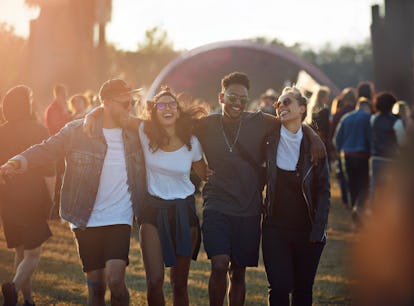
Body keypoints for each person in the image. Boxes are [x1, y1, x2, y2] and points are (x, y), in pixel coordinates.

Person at [0, 78, 146, 306]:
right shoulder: (77, 131)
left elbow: (162, 129)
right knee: (96, 288)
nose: (130, 109)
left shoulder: (134, 132)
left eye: (132, 103)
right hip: (84, 217)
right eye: (125, 104)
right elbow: (47, 149)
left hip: (119, 216)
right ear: (107, 103)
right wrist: (17, 162)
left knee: (116, 281)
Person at [193, 71, 325, 306]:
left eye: (243, 99)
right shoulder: (206, 125)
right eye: (232, 97)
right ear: (221, 97)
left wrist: (314, 136)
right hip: (217, 204)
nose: (237, 103)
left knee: (239, 271)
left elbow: (291, 120)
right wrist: (198, 166)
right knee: (220, 263)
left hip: (249, 208)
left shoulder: (259, 121)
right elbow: (175, 130)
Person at [261, 86, 330, 306]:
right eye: (279, 103)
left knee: (303, 290)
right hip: (274, 228)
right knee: (279, 288)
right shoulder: (268, 139)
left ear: (302, 108)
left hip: (307, 230)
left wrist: (318, 230)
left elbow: (324, 191)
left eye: (288, 101)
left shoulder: (315, 147)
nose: (282, 106)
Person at [0, 85, 54, 306]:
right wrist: (50, 199)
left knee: (21, 251)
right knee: (33, 254)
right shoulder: (39, 130)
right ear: (27, 103)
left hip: (7, 197)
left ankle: (28, 299)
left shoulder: (1, 131)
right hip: (33, 196)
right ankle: (12, 289)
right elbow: (50, 170)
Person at [334, 98, 371, 227]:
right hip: (362, 155)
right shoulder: (368, 118)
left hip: (347, 155)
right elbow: (370, 137)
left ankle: (354, 210)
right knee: (364, 184)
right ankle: (358, 207)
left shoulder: (346, 118)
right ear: (367, 107)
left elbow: (337, 138)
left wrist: (340, 152)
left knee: (352, 184)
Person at [43, 83, 72, 219]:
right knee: (58, 179)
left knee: (62, 177)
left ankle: (59, 210)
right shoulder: (53, 110)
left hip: (63, 148)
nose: (66, 97)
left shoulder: (60, 108)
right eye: (63, 95)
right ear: (57, 94)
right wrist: (66, 115)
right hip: (56, 148)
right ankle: (54, 211)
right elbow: (57, 128)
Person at [370, 92, 401, 201]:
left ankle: (374, 211)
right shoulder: (397, 122)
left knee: (375, 187)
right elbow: (402, 142)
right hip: (392, 159)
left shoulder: (373, 119)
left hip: (376, 157)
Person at [305, 85, 331, 158]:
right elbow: (326, 128)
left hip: (311, 140)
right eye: (327, 96)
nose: (328, 98)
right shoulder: (325, 111)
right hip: (321, 141)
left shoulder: (312, 109)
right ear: (322, 97)